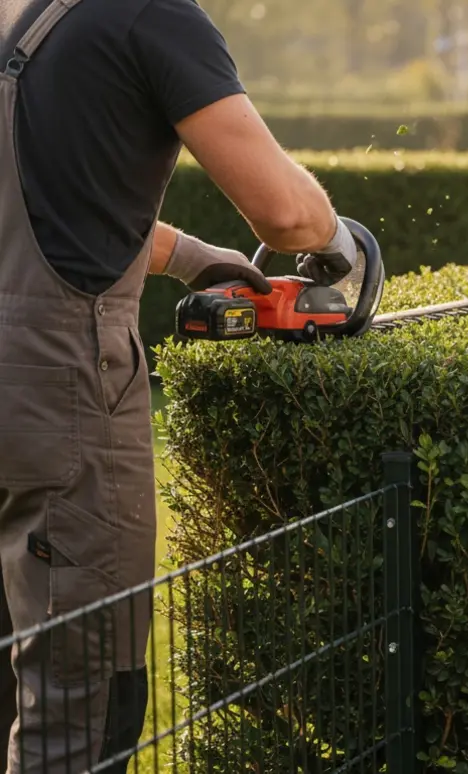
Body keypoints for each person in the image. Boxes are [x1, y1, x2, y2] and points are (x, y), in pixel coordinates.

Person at [0, 0, 360, 769]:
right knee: (83, 702)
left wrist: (198, 258)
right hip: (63, 389)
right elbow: (286, 213)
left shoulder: (16, 21)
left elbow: (59, 201)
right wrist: (340, 246)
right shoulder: (151, 15)